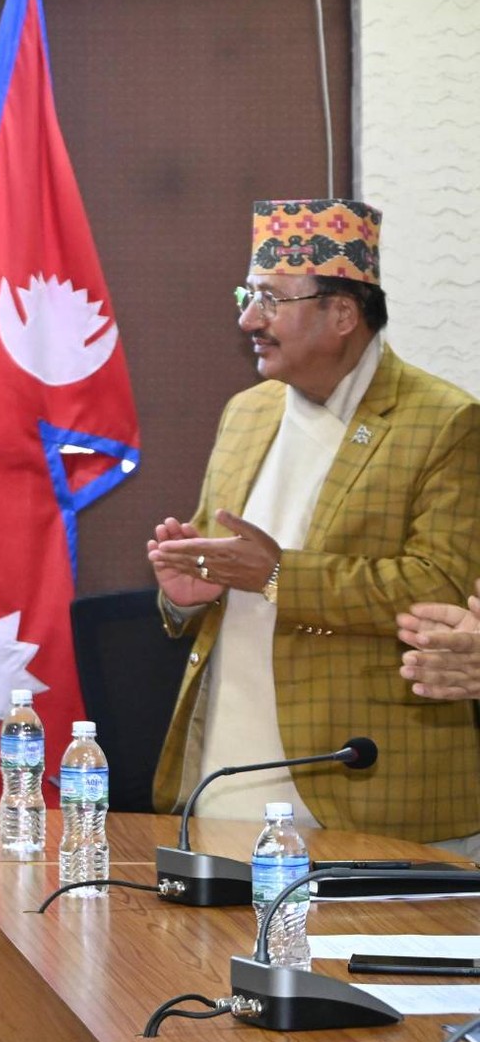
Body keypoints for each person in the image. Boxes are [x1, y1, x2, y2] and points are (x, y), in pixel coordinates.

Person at [149, 198, 480, 848]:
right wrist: (187, 593)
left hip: (370, 777)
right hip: (231, 763)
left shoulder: (444, 421)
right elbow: (217, 553)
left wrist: (278, 576)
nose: (248, 319)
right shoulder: (246, 412)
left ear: (343, 314)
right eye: (248, 296)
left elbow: (439, 586)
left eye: (271, 300)